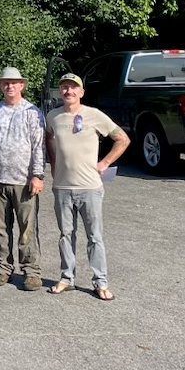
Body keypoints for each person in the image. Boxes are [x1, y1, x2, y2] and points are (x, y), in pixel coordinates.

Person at [45, 73, 130, 300]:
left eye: (73, 88)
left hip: (90, 187)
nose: (68, 91)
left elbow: (122, 139)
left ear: (81, 92)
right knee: (65, 234)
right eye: (64, 87)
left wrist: (105, 163)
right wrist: (53, 165)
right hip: (62, 187)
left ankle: (100, 282)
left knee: (94, 236)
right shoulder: (53, 117)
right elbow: (48, 139)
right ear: (60, 92)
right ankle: (66, 277)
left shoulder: (94, 115)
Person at [0, 67, 46, 291]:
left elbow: (39, 147)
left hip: (24, 182)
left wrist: (37, 175)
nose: (10, 86)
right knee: (0, 228)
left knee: (27, 228)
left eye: (14, 83)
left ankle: (31, 272)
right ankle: (2, 269)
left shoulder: (32, 112)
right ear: (1, 86)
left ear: (21, 86)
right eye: (6, 83)